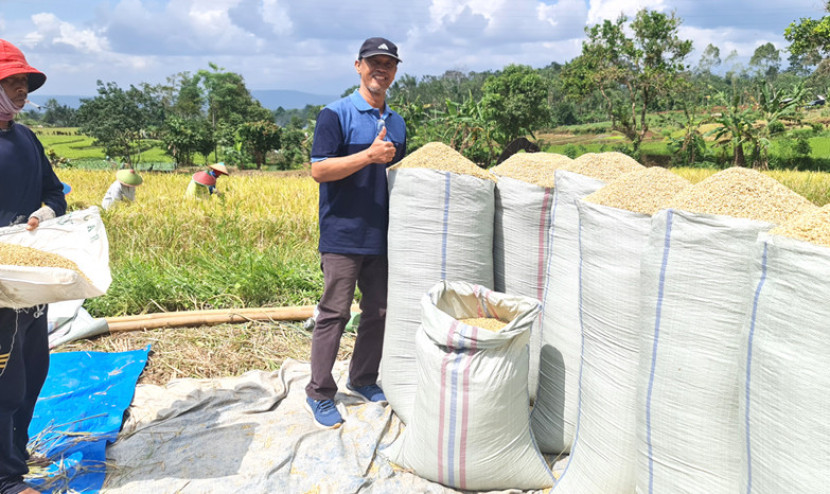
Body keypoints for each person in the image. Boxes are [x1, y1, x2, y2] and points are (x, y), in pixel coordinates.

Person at [305, 36, 406, 429]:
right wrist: (368, 155)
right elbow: (319, 170)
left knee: (379, 312)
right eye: (373, 63)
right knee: (334, 313)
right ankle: (319, 391)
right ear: (358, 66)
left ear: (395, 71)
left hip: (382, 235)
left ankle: (362, 378)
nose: (381, 69)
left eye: (389, 64)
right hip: (343, 234)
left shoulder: (396, 122)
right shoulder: (335, 114)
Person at [0, 39, 67, 494]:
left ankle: (16, 456)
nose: (23, 90)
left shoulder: (26, 138)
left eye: (26, 82)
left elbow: (55, 192)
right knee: (6, 382)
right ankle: (6, 480)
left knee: (34, 367)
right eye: (14, 81)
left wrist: (45, 213)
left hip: (30, 278)